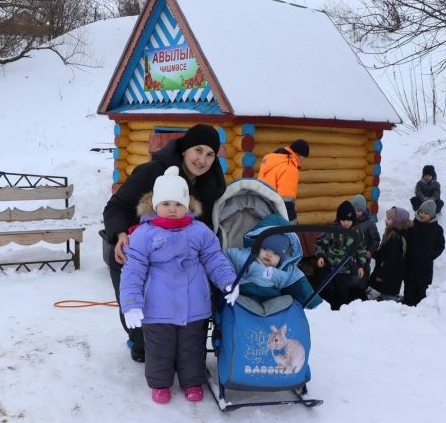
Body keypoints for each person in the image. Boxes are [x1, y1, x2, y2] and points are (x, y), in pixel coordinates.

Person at [102, 124, 226, 362]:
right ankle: (139, 340)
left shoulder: (211, 184)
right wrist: (120, 234)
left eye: (210, 154)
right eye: (197, 151)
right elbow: (116, 206)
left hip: (181, 259)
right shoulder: (151, 172)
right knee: (147, 345)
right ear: (184, 150)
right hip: (137, 251)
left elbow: (209, 226)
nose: (202, 160)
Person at [119, 166, 239, 404]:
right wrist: (131, 302)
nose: (172, 209)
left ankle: (192, 382)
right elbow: (133, 270)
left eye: (178, 203)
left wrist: (228, 281)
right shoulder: (144, 234)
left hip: (194, 306)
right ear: (155, 205)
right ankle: (160, 383)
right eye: (166, 203)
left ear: (187, 204)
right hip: (157, 307)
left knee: (191, 347)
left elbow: (214, 258)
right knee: (159, 349)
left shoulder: (199, 231)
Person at [224, 231, 323, 308]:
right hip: (243, 299)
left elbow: (299, 282)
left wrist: (311, 300)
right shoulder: (246, 258)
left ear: (281, 258)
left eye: (275, 253)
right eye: (265, 249)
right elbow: (226, 256)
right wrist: (230, 280)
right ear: (258, 248)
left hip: (272, 305)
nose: (269, 254)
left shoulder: (284, 271)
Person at [315, 201, 368, 310]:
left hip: (346, 269)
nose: (345, 223)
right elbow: (320, 243)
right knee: (327, 290)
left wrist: (361, 266)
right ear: (338, 219)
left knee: (342, 293)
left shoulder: (357, 233)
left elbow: (361, 250)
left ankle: (340, 313)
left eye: (349, 220)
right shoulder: (333, 230)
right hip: (330, 267)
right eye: (343, 220)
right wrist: (321, 256)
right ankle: (326, 310)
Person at [402, 200, 445, 306]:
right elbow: (406, 239)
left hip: (425, 265)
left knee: (422, 287)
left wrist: (431, 256)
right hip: (411, 262)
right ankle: (407, 305)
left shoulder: (437, 229)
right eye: (421, 212)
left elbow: (440, 245)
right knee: (409, 284)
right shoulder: (412, 225)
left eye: (426, 213)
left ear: (432, 215)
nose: (422, 215)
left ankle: (420, 307)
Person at [257, 139, 310, 223]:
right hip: (275, 216)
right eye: (303, 157)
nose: (302, 161)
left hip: (259, 211)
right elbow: (286, 203)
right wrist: (294, 226)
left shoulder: (271, 160)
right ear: (298, 154)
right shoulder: (289, 168)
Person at [368, 207, 412, 301]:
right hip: (390, 274)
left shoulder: (395, 238)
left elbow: (390, 259)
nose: (386, 220)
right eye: (386, 217)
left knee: (387, 298)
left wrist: (381, 275)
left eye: (389, 219)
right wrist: (374, 254)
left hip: (390, 275)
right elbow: (384, 252)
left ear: (397, 222)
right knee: (386, 293)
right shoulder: (394, 232)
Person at [349, 194, 381, 300]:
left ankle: (362, 293)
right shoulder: (349, 221)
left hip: (363, 255)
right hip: (351, 255)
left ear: (363, 210)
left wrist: (370, 251)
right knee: (351, 275)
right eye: (354, 210)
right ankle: (352, 294)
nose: (356, 213)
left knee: (362, 275)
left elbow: (375, 239)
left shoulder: (369, 224)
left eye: (359, 211)